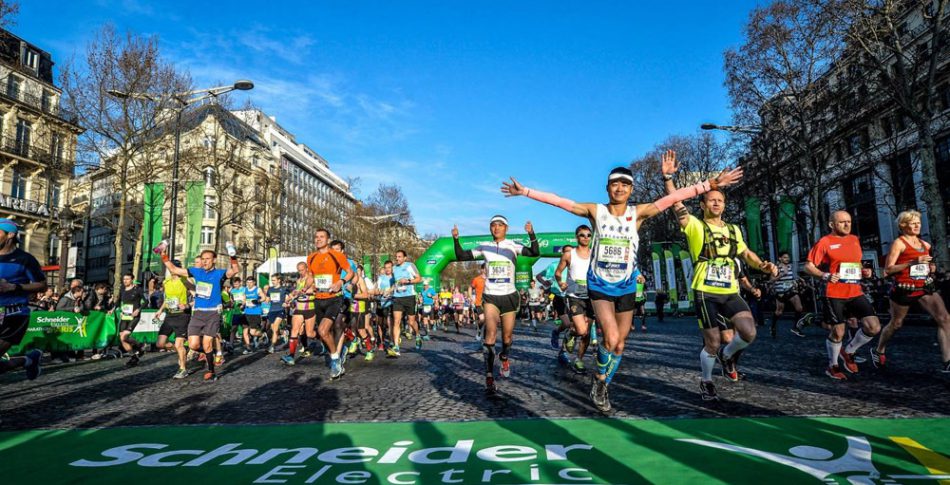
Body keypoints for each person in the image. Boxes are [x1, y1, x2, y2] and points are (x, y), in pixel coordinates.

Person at [502, 151, 743, 411]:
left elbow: (673, 198)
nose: (619, 188)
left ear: (631, 189)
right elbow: (560, 202)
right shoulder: (596, 211)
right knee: (610, 337)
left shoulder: (637, 213)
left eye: (625, 184)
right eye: (615, 183)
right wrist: (525, 191)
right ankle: (601, 381)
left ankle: (602, 380)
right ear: (607, 188)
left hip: (626, 285)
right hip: (600, 285)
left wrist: (709, 185)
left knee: (620, 343)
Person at [665, 154, 775, 401]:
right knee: (713, 341)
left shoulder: (734, 229)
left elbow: (746, 253)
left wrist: (764, 265)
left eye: (720, 200)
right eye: (712, 200)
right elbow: (675, 203)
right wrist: (668, 178)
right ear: (703, 205)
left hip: (730, 290)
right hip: (705, 291)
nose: (716, 203)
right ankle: (706, 380)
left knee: (749, 333)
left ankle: (728, 357)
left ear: (724, 205)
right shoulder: (694, 225)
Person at [453, 217, 540, 395]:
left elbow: (533, 252)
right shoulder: (484, 246)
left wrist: (531, 233)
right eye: (493, 225)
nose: (496, 228)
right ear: (490, 228)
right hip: (491, 296)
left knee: (507, 338)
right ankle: (489, 376)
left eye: (500, 225)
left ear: (506, 228)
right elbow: (461, 256)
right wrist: (455, 239)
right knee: (490, 334)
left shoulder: (513, 245)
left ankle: (504, 356)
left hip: (509, 296)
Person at [804, 210, 880, 380]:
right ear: (832, 225)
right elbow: (808, 266)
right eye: (842, 222)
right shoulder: (825, 242)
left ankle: (849, 351)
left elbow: (856, 264)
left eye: (849, 221)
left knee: (873, 326)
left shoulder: (854, 240)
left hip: (855, 291)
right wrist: (825, 275)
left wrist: (864, 271)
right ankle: (833, 366)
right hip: (834, 292)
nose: (847, 225)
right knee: (838, 332)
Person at [873, 210, 950, 372]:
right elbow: (887, 270)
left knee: (944, 318)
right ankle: (878, 349)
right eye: (913, 223)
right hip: (904, 289)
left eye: (918, 223)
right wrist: (912, 262)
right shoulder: (899, 243)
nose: (917, 226)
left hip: (924, 287)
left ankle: (947, 361)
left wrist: (931, 268)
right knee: (896, 324)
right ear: (903, 225)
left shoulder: (925, 245)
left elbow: (925, 266)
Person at [161, 247, 240, 381]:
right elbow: (174, 269)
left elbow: (235, 270)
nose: (204, 262)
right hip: (197, 314)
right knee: (193, 345)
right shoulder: (196, 272)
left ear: (214, 260)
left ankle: (211, 370)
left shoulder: (219, 273)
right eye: (203, 259)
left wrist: (232, 256)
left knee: (207, 343)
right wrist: (163, 255)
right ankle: (212, 354)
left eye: (207, 259)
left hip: (212, 313)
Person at [0, 219, 47, 381]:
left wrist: (14, 287)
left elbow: (42, 284)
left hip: (14, 315)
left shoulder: (25, 259)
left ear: (10, 235)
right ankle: (28, 360)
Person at [307, 228, 353, 378]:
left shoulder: (336, 255)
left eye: (322, 237)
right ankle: (337, 354)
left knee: (322, 330)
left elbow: (350, 272)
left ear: (327, 240)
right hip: (318, 299)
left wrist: (341, 281)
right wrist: (306, 287)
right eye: (316, 237)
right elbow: (310, 277)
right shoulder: (311, 257)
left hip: (334, 298)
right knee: (324, 335)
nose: (318, 239)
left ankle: (335, 361)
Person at [555, 225, 595, 373]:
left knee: (587, 332)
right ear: (576, 237)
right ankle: (571, 333)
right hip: (574, 296)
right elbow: (558, 272)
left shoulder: (595, 255)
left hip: (592, 297)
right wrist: (560, 282)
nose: (585, 237)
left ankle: (579, 360)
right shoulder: (569, 254)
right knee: (581, 329)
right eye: (582, 235)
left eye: (588, 235)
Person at [154, 263, 191, 378]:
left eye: (174, 268)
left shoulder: (185, 280)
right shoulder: (166, 282)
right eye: (170, 268)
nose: (172, 270)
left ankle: (183, 369)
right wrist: (160, 310)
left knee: (179, 344)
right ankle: (182, 352)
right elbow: (167, 299)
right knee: (160, 344)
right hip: (169, 315)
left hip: (182, 316)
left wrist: (187, 305)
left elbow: (197, 295)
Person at [282, 262, 316, 366]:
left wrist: (302, 292)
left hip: (310, 308)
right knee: (294, 330)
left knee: (310, 333)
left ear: (306, 268)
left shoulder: (311, 279)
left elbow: (314, 290)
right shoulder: (298, 280)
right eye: (299, 270)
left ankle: (323, 338)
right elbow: (295, 292)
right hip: (299, 308)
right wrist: (288, 299)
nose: (300, 272)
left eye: (302, 269)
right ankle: (291, 356)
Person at [772, 251, 806, 338]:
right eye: (785, 257)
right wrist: (780, 276)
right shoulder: (776, 268)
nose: (787, 259)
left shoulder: (790, 266)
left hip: (791, 290)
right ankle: (773, 326)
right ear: (780, 258)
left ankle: (795, 327)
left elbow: (793, 276)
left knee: (799, 308)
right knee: (779, 312)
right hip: (780, 292)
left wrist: (800, 279)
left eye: (788, 257)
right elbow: (771, 280)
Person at [117, 273, 146, 366]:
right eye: (124, 279)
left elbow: (146, 301)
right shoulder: (122, 289)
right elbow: (118, 302)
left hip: (134, 316)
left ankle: (139, 345)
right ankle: (134, 357)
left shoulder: (137, 289)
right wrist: (117, 310)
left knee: (124, 336)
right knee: (122, 338)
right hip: (125, 316)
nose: (125, 281)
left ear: (132, 280)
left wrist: (138, 310)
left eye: (127, 279)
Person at [264, 275, 289, 354]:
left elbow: (288, 299)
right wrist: (263, 300)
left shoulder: (284, 289)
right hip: (272, 311)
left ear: (279, 280)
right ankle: (283, 332)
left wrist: (286, 303)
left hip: (280, 310)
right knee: (274, 329)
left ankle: (272, 346)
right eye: (272, 280)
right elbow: (267, 300)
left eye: (274, 280)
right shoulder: (270, 289)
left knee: (275, 327)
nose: (272, 282)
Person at [240, 276, 265, 354]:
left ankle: (262, 334)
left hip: (255, 312)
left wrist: (258, 301)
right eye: (247, 282)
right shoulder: (245, 289)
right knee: (245, 332)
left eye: (250, 282)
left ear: (254, 282)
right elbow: (244, 300)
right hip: (247, 312)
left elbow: (264, 298)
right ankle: (248, 348)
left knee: (252, 332)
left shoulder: (258, 289)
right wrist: (242, 305)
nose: (249, 284)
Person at [470, 265, 486, 341]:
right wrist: (470, 297)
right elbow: (470, 288)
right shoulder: (476, 279)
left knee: (489, 322)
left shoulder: (491, 279)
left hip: (489, 303)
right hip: (479, 303)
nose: (487, 270)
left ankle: (486, 339)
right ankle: (479, 330)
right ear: (482, 270)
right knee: (482, 319)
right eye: (485, 268)